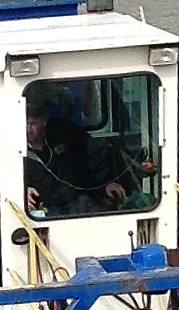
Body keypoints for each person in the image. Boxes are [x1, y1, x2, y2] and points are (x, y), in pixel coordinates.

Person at [23, 89, 127, 220]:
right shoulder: (10, 150)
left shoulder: (63, 132)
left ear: (44, 121)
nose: (28, 129)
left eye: (32, 124)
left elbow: (93, 152)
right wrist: (21, 190)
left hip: (79, 201)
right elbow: (4, 181)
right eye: (24, 123)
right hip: (42, 210)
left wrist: (107, 183)